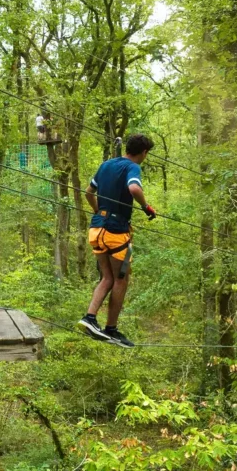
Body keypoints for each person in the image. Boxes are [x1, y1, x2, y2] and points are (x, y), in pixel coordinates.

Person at [76, 134, 157, 348]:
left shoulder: (106, 165)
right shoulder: (133, 167)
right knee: (121, 280)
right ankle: (111, 329)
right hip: (115, 232)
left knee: (107, 278)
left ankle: (90, 318)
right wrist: (145, 207)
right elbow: (134, 188)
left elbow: (88, 192)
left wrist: (98, 212)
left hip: (96, 229)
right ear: (144, 153)